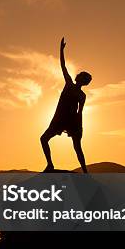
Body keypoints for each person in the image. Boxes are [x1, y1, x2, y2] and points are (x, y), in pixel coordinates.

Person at [41, 37, 92, 173]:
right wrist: (61, 50)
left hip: (66, 120)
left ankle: (52, 165)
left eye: (82, 77)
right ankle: (52, 165)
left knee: (46, 139)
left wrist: (61, 50)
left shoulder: (73, 87)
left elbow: (80, 112)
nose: (79, 77)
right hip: (64, 120)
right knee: (46, 140)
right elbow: (63, 66)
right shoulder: (76, 90)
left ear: (82, 80)